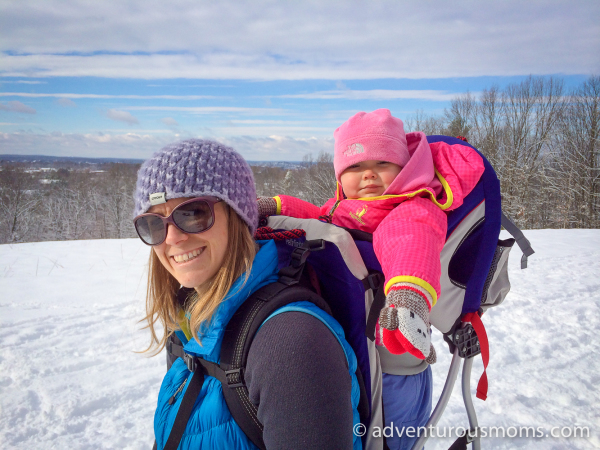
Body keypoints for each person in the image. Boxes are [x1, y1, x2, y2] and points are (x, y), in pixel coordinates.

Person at [258, 109, 484, 450]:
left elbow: (411, 244)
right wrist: (273, 204)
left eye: (382, 164)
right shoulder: (345, 208)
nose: (368, 176)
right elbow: (318, 215)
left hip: (395, 359)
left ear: (403, 167)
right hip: (358, 350)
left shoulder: (411, 208)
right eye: (354, 167)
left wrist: (408, 297)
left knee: (393, 440)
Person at [133, 139, 361, 449]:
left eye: (193, 213)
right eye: (152, 223)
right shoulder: (190, 320)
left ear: (238, 215)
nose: (172, 237)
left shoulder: (291, 342)